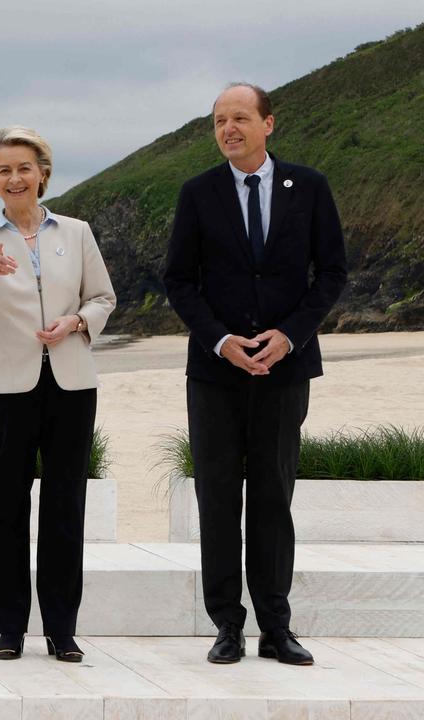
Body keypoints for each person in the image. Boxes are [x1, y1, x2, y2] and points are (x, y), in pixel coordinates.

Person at [163, 83, 347, 665]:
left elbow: (331, 274)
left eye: (240, 117)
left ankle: (276, 626)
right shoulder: (198, 193)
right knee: (218, 499)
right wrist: (220, 340)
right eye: (219, 120)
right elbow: (179, 280)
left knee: (273, 497)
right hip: (215, 373)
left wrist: (290, 334)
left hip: (285, 370)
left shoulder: (310, 187)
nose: (228, 128)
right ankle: (227, 626)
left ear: (269, 124)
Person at [0, 126, 115, 662]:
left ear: (42, 173)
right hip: (7, 387)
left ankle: (62, 629)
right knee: (7, 505)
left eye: (24, 168)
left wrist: (77, 321)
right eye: (4, 170)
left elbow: (104, 297)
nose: (15, 178)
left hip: (71, 384)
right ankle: (9, 628)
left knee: (66, 504)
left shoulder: (78, 231)